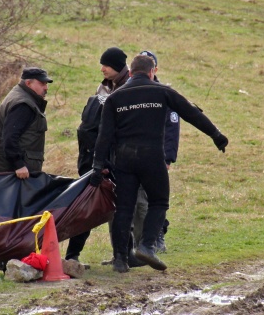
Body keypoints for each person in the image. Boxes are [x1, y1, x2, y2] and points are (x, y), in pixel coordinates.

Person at [91, 54, 228, 273]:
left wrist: (97, 166)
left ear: (131, 72)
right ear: (152, 71)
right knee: (159, 202)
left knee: (123, 208)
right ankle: (147, 245)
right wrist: (216, 135)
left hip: (124, 159)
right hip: (152, 156)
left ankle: (119, 259)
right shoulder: (162, 91)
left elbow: (104, 136)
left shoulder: (115, 98)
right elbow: (191, 113)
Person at [67, 47, 130, 264]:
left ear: (118, 67)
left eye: (106, 65)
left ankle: (123, 255)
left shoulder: (129, 89)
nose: (102, 68)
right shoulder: (102, 89)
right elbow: (91, 129)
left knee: (123, 207)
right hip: (96, 159)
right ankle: (72, 256)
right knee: (87, 207)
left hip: (119, 159)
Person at [131, 51, 179, 254]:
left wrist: (168, 157)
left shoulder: (164, 93)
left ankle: (157, 234)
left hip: (157, 156)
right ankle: (138, 241)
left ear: (155, 70)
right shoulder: (131, 91)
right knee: (136, 199)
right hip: (133, 155)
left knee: (154, 198)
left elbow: (172, 128)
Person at [0, 67, 52, 178]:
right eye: (42, 83)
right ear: (28, 83)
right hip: (6, 173)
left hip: (4, 172)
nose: (46, 88)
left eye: (46, 84)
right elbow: (9, 137)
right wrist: (19, 164)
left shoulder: (22, 97)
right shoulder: (23, 104)